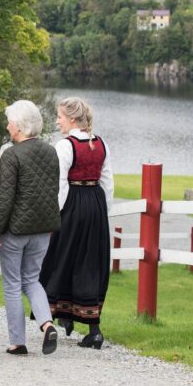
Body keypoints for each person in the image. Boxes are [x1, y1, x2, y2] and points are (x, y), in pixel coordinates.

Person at [0, 100, 61, 356]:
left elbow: (3, 198)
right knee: (32, 279)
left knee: (12, 283)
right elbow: (52, 191)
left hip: (15, 231)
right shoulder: (51, 152)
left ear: (18, 126)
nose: (7, 125)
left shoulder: (12, 155)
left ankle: (17, 342)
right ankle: (47, 323)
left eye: (10, 121)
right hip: (42, 229)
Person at [40, 97, 115, 349]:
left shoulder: (65, 145)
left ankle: (58, 318)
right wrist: (103, 213)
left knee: (61, 258)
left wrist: (54, 216)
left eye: (60, 116)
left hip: (72, 204)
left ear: (72, 119)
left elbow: (60, 184)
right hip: (95, 203)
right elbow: (108, 183)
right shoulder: (101, 143)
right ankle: (93, 330)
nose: (57, 120)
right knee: (89, 262)